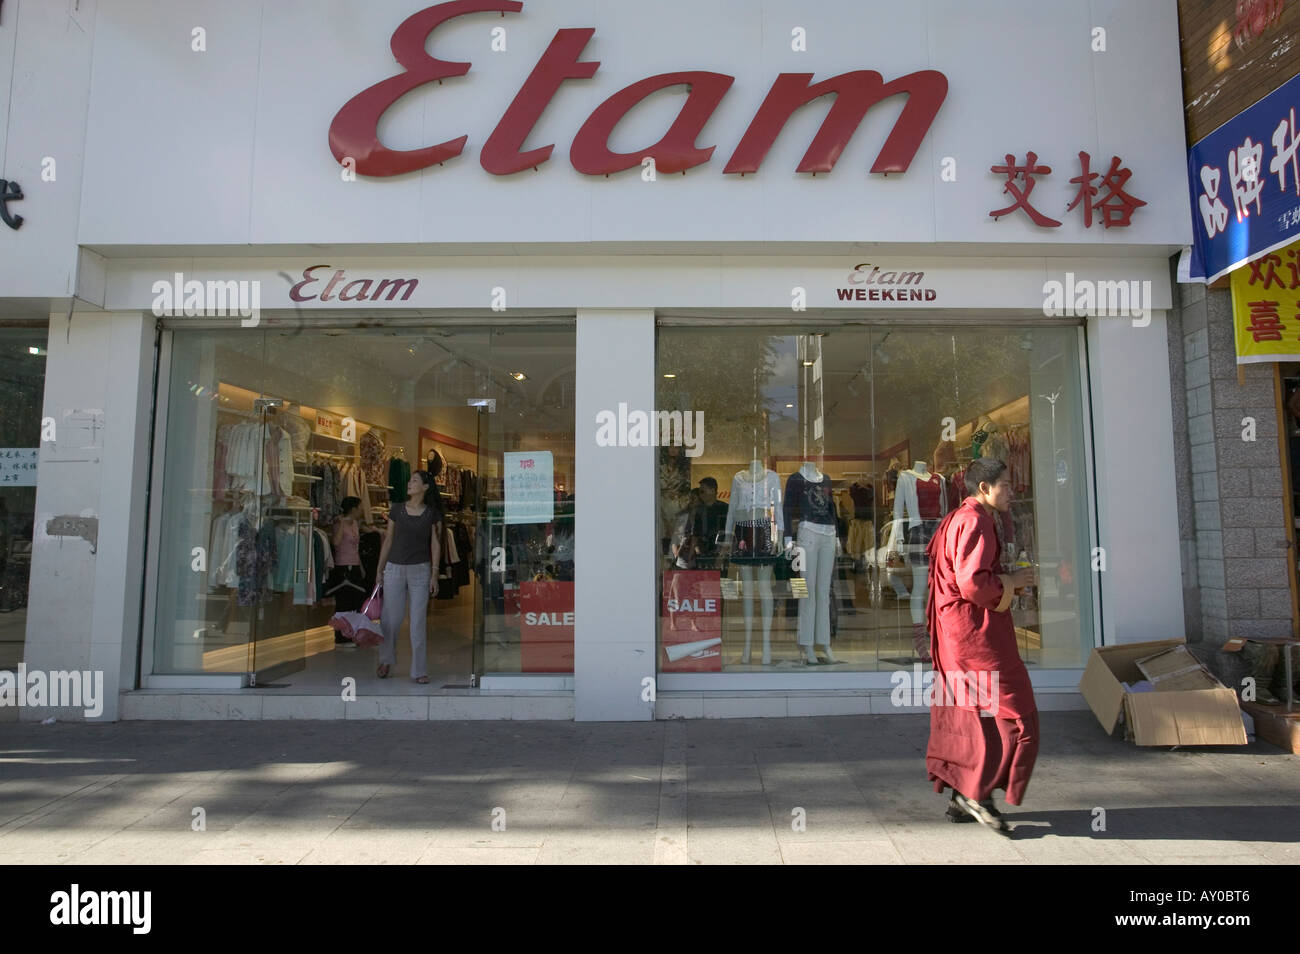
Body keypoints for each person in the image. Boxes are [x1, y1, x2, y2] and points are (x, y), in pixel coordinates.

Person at [923, 457, 1037, 832]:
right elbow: (974, 585)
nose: (1012, 490)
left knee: (970, 715)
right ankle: (976, 793)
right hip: (976, 634)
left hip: (955, 632)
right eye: (1005, 483)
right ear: (984, 488)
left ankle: (965, 795)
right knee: (1017, 715)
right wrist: (1015, 581)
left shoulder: (957, 517)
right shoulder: (976, 522)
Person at [375, 470, 442, 683]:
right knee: (390, 619)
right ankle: (386, 659)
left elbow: (435, 543)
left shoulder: (432, 513)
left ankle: (419, 670)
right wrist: (379, 569)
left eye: (415, 481)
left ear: (425, 487)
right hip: (394, 568)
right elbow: (388, 540)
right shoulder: (396, 509)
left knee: (418, 622)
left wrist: (435, 574)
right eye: (410, 480)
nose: (410, 484)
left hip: (420, 570)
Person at [326, 497, 368, 643]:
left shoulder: (355, 523)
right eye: (360, 507)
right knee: (344, 603)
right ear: (353, 509)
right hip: (343, 566)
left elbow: (356, 547)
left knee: (357, 601)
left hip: (354, 566)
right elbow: (336, 542)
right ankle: (341, 638)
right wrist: (342, 524)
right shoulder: (339, 522)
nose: (362, 510)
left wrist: (360, 566)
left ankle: (353, 633)